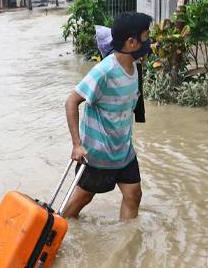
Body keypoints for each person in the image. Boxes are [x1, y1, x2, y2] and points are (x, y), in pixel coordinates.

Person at [63, 12, 153, 221]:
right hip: (98, 154)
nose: (149, 41)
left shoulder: (136, 67)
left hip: (123, 150)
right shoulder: (104, 71)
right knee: (80, 201)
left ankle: (127, 244)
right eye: (146, 36)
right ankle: (62, 232)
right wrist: (77, 145)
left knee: (134, 195)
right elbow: (71, 102)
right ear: (132, 42)